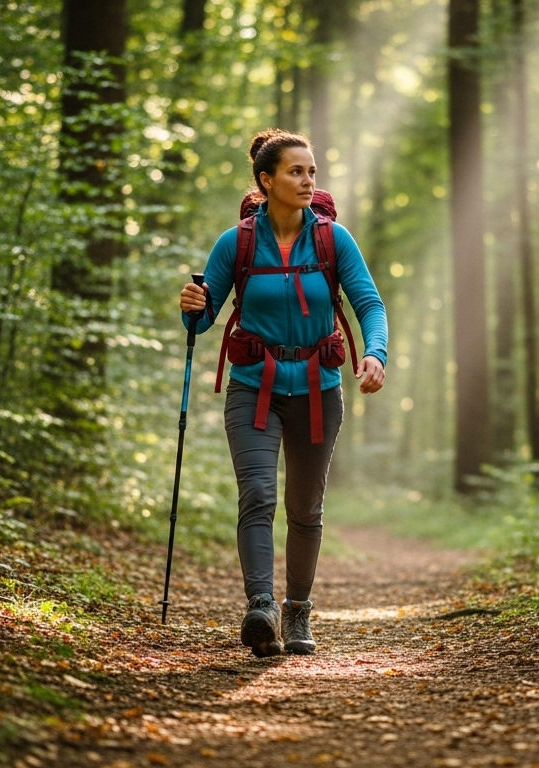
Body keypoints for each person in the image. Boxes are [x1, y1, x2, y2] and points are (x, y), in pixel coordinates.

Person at [179, 129, 388, 657]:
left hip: (319, 389)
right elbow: (203, 321)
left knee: (305, 508)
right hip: (254, 387)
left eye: (312, 171)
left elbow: (369, 303)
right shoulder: (238, 242)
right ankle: (261, 606)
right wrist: (192, 306)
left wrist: (375, 353)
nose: (307, 181)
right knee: (258, 495)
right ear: (266, 181)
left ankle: (297, 611)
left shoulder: (333, 240)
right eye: (296, 172)